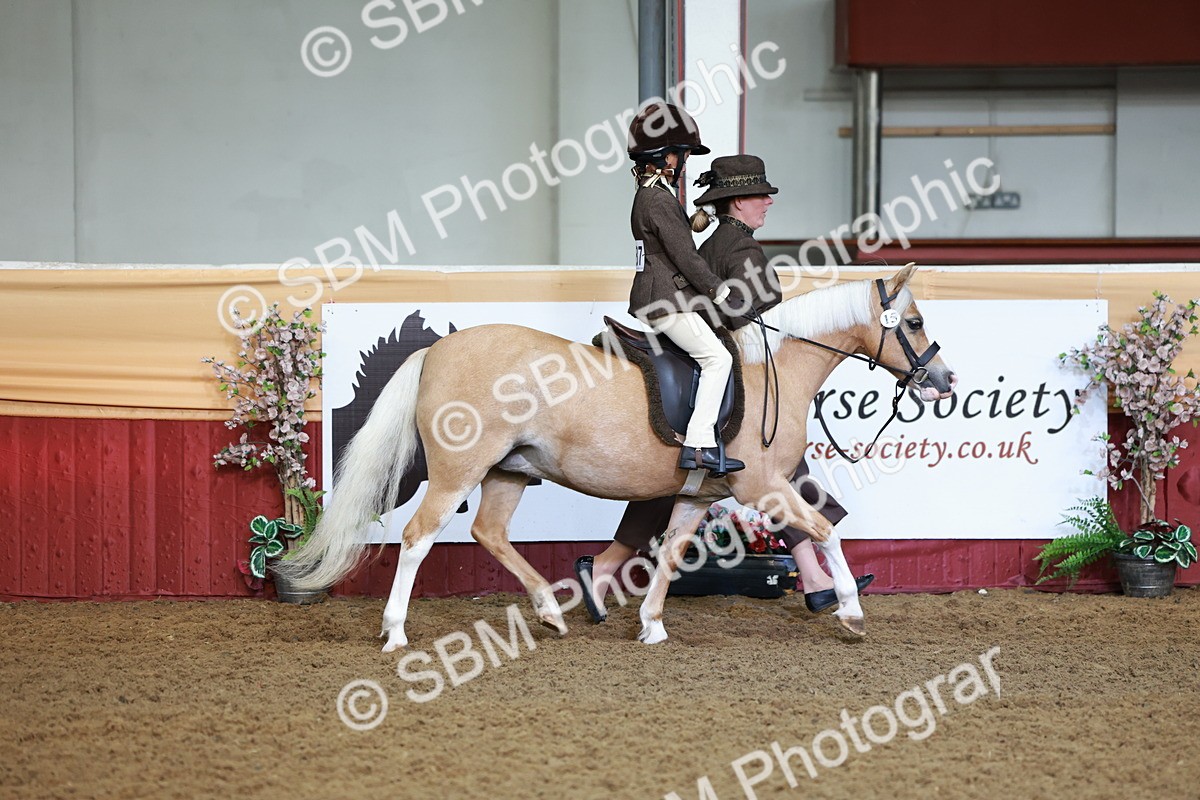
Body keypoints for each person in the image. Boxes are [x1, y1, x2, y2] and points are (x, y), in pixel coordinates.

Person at [576, 154, 873, 622]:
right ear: (737, 202)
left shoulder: (716, 241)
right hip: (737, 365)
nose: (768, 202)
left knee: (692, 473)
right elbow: (749, 317)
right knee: (775, 467)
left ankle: (813, 576)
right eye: (760, 195)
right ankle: (815, 575)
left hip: (716, 359)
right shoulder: (742, 249)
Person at [626, 102, 743, 478]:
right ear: (664, 156)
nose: (685, 161)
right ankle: (699, 444)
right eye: (683, 154)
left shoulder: (651, 195)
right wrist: (720, 292)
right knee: (718, 359)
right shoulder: (658, 199)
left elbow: (673, 235)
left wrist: (699, 217)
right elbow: (686, 257)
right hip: (666, 300)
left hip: (659, 295)